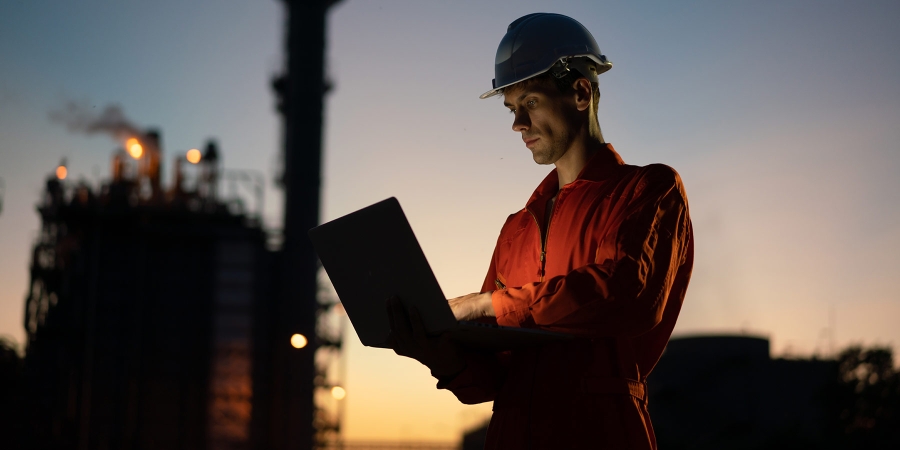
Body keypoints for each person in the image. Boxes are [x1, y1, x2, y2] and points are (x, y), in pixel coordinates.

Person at [387, 13, 693, 449]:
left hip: (601, 433)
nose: (517, 125)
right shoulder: (516, 228)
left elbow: (627, 295)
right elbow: (491, 379)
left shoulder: (648, 189)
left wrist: (490, 303)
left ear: (581, 92)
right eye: (512, 109)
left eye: (530, 102)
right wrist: (434, 352)